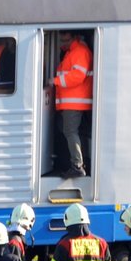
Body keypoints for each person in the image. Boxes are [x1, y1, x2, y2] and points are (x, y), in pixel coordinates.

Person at [53, 31, 93, 179]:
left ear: (74, 37)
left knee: (70, 132)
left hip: (74, 101)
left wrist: (55, 81)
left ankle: (77, 166)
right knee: (73, 132)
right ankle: (80, 163)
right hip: (74, 101)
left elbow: (77, 76)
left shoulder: (79, 52)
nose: (62, 40)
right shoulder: (72, 52)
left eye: (65, 37)